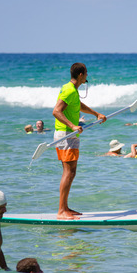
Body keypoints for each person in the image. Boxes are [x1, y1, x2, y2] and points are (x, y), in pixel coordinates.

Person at [52, 62, 107, 220]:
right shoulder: (69, 90)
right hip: (66, 135)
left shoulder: (72, 90)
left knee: (70, 172)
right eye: (86, 73)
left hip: (69, 135)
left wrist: (96, 114)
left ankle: (65, 207)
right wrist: (72, 125)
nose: (87, 76)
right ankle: (61, 210)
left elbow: (78, 105)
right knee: (69, 172)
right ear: (81, 75)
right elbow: (56, 111)